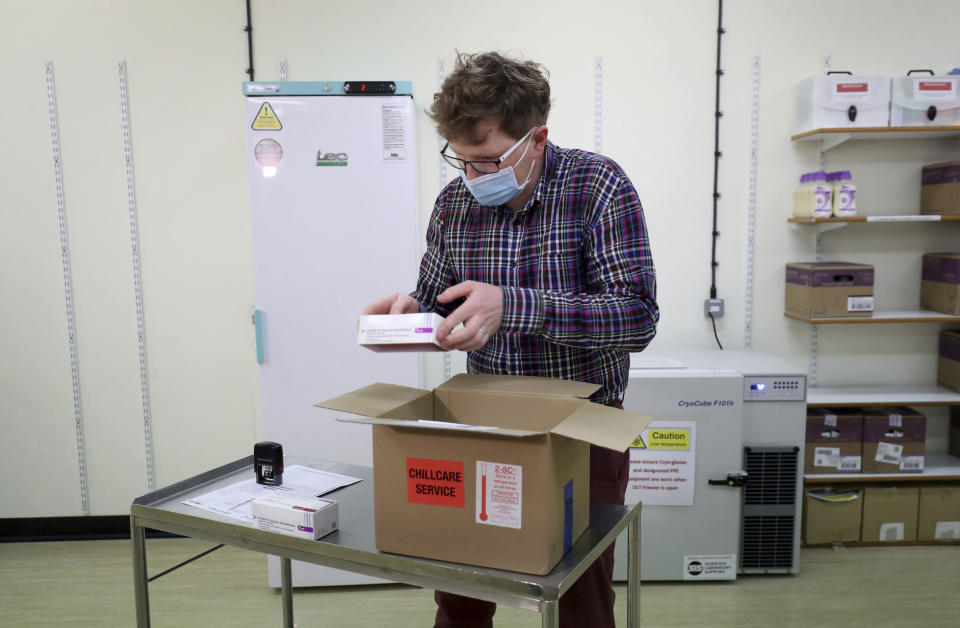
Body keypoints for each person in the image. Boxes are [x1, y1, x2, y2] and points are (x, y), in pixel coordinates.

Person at [363, 51, 658, 628]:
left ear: (538, 137)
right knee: (462, 584)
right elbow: (438, 298)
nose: (473, 177)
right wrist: (406, 316)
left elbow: (637, 317)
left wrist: (514, 305)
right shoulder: (455, 203)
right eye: (462, 161)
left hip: (582, 426)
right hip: (484, 421)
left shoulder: (598, 186)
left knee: (580, 596)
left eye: (490, 160)